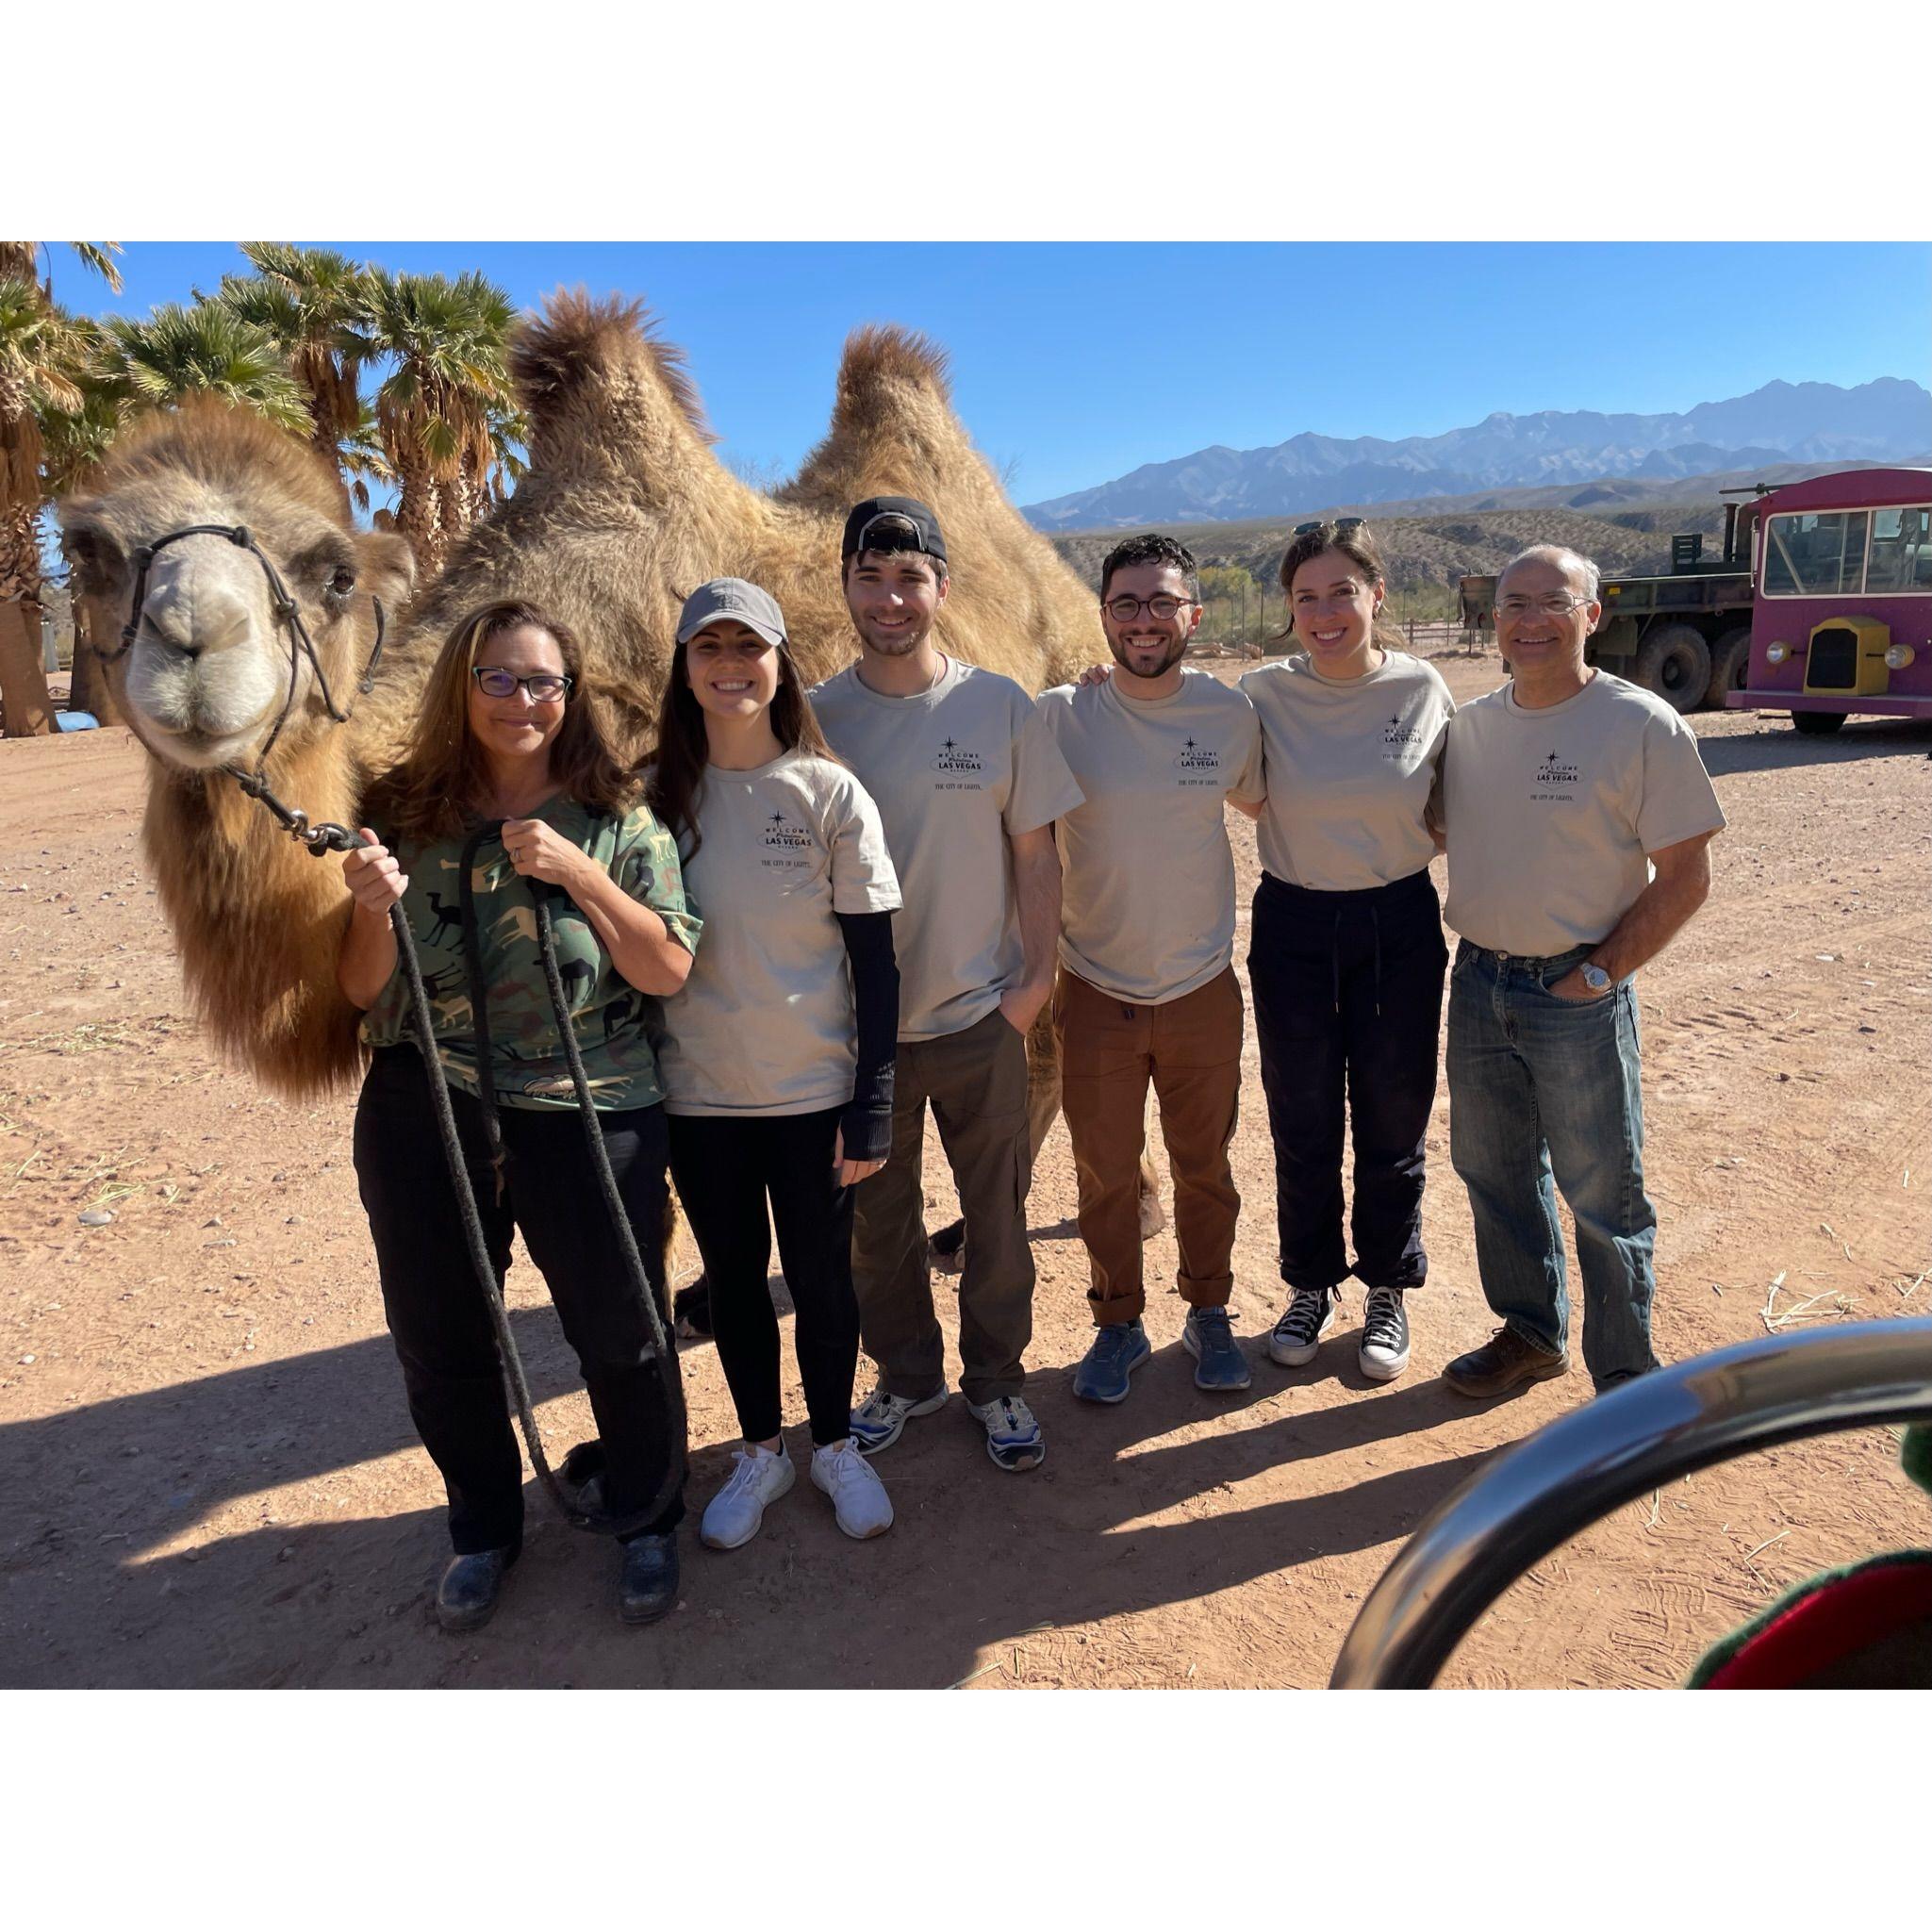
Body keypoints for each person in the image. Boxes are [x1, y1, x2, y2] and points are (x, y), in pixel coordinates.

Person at [339, 599, 702, 1634]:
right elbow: (367, 993)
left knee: (621, 1329)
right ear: (462, 684)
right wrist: (370, 907)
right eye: (497, 678)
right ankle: (482, 1528)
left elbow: (667, 968)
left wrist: (579, 873)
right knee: (441, 1333)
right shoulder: (402, 811)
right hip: (427, 1100)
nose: (520, 701)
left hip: (588, 1103)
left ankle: (645, 1518)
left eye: (542, 681)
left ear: (571, 694)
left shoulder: (621, 816)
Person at [812, 498, 1083, 1473]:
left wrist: (1035, 979)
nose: (891, 598)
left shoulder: (999, 706)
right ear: (845, 584)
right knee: (875, 1227)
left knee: (998, 1218)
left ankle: (999, 1382)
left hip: (979, 1017)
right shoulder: (811, 715)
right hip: (858, 1037)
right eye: (871, 577)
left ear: (941, 589)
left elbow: (1036, 856)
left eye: (910, 578)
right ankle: (910, 1377)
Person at [648, 578, 903, 1546]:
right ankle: (763, 1452)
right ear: (684, 668)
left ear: (779, 662)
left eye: (747, 648)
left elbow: (876, 965)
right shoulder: (655, 798)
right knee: (736, 1282)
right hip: (699, 1095)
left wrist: (871, 1102)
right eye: (707, 648)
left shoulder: (827, 790)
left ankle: (834, 1445)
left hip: (812, 1094)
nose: (728, 667)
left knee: (824, 1280)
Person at [1440, 544, 1724, 1397]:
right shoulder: (1471, 725)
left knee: (1603, 1188)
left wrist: (1598, 978)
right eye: (1511, 603)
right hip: (1480, 980)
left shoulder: (1639, 724)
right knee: (1493, 1171)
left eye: (1550, 603)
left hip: (1577, 987)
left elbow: (1686, 876)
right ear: (1493, 619)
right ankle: (1530, 1331)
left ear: (1591, 615)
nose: (1528, 621)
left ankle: (1626, 1372)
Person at [1037, 533, 1264, 1402]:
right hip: (1094, 987)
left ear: (1192, 615)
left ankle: (1209, 1314)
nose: (1143, 620)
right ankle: (1117, 1322)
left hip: (1202, 986)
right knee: (1104, 1170)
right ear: (1101, 616)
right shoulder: (1060, 714)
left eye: (1161, 602)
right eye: (1126, 603)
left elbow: (1259, 797)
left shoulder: (1226, 713)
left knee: (1204, 1164)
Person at [1237, 521, 1457, 1382]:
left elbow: (1447, 805)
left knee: (1393, 1116)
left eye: (1341, 592)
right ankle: (1311, 1282)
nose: (1324, 612)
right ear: (1288, 608)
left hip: (1396, 921)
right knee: (1301, 1117)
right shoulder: (1259, 691)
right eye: (1305, 597)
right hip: (1292, 924)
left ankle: (1388, 1287)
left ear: (1376, 595)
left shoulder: (1422, 685)